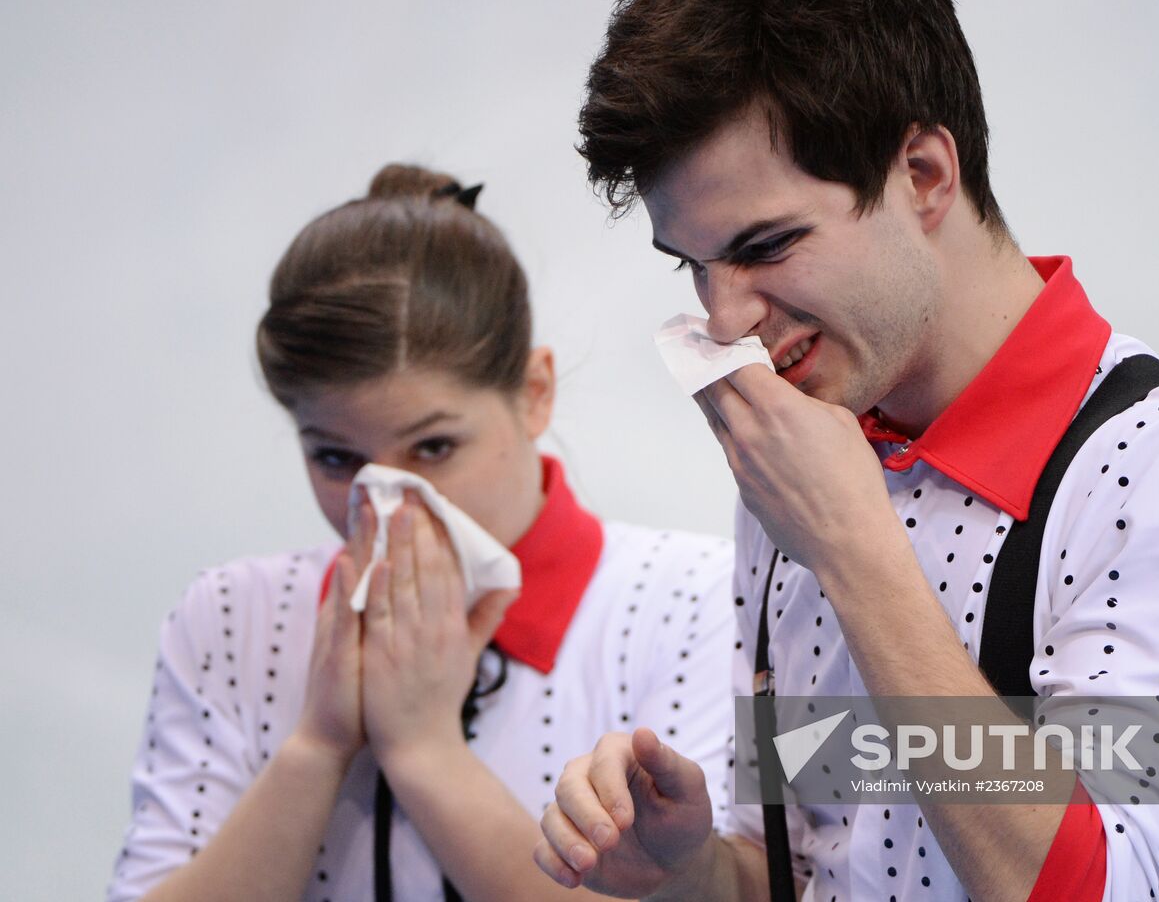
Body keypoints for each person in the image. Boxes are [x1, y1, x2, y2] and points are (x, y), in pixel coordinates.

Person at [536, 0, 1159, 902]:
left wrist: (855, 554)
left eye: (766, 245)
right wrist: (682, 862)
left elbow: (1101, 888)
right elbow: (808, 865)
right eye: (693, 267)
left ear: (922, 175)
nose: (724, 315)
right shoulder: (808, 464)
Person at [106, 164, 734, 902]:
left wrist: (424, 749)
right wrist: (317, 747)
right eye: (335, 459)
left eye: (433, 449)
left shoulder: (697, 597)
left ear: (534, 394)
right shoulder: (229, 617)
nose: (389, 505)